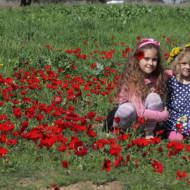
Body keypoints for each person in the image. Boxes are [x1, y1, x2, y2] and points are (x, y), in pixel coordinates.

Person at [104, 38, 169, 139]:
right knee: (128, 108)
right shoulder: (132, 81)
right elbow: (140, 112)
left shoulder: (157, 76)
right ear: (138, 59)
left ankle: (148, 134)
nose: (150, 63)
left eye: (154, 59)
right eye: (146, 59)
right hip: (125, 120)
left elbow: (174, 72)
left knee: (154, 97)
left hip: (141, 121)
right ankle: (116, 133)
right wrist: (163, 116)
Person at [164, 43, 190, 141]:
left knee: (179, 138)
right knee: (174, 137)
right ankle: (173, 133)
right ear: (177, 63)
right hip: (173, 117)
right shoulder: (172, 80)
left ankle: (182, 135)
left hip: (188, 117)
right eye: (184, 63)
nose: (188, 67)